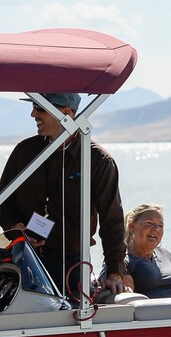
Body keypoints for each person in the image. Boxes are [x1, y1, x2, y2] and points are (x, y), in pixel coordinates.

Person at [0, 93, 127, 296]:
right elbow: (4, 200)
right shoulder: (24, 151)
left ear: (66, 113)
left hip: (72, 265)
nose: (33, 113)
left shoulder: (98, 160)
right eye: (34, 106)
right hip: (23, 259)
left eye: (40, 108)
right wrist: (14, 227)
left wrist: (115, 273)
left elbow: (112, 221)